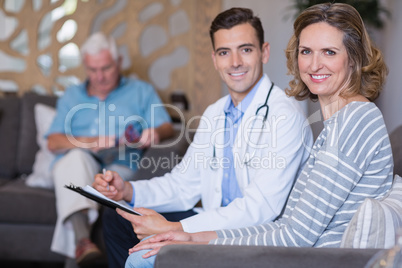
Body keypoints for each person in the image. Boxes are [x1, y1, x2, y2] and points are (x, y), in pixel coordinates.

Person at [126, 2, 394, 266]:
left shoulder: (355, 122)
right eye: (306, 51)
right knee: (141, 243)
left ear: (354, 58)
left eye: (329, 52)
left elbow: (293, 236)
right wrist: (189, 236)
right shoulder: (336, 125)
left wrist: (193, 239)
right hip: (297, 252)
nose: (314, 64)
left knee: (142, 258)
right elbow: (287, 227)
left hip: (313, 260)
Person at [93, 7, 313, 268]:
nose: (234, 62)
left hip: (256, 235)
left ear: (264, 52)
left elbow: (261, 209)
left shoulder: (285, 114)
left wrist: (176, 229)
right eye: (224, 52)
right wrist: (127, 190)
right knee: (118, 218)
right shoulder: (215, 113)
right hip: (215, 222)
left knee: (148, 249)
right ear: (214, 59)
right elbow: (183, 184)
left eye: (245, 49)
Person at [46, 32, 174, 266]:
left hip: (122, 163)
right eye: (93, 70)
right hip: (82, 160)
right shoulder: (72, 95)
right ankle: (83, 241)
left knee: (108, 183)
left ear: (119, 62)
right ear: (85, 66)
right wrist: (89, 141)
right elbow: (53, 142)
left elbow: (166, 126)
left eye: (106, 68)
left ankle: (80, 245)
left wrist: (156, 133)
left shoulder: (141, 90)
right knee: (74, 160)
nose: (100, 76)